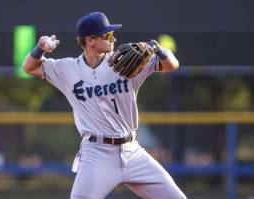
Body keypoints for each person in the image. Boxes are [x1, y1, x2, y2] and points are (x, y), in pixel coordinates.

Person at [23, 11, 186, 199]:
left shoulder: (126, 63)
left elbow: (172, 66)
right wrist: (40, 47)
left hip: (132, 151)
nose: (113, 38)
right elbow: (29, 67)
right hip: (96, 154)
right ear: (90, 40)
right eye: (107, 35)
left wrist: (158, 49)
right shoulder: (67, 69)